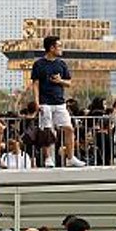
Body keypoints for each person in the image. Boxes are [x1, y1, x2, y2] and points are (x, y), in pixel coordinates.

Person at [31, 36, 86, 167]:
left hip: (60, 102)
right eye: (59, 46)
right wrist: (37, 102)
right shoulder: (39, 64)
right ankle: (48, 158)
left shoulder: (61, 64)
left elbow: (69, 83)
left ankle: (71, 157)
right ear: (51, 48)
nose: (61, 49)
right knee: (47, 131)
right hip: (45, 102)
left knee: (69, 128)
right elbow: (35, 84)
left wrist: (60, 81)